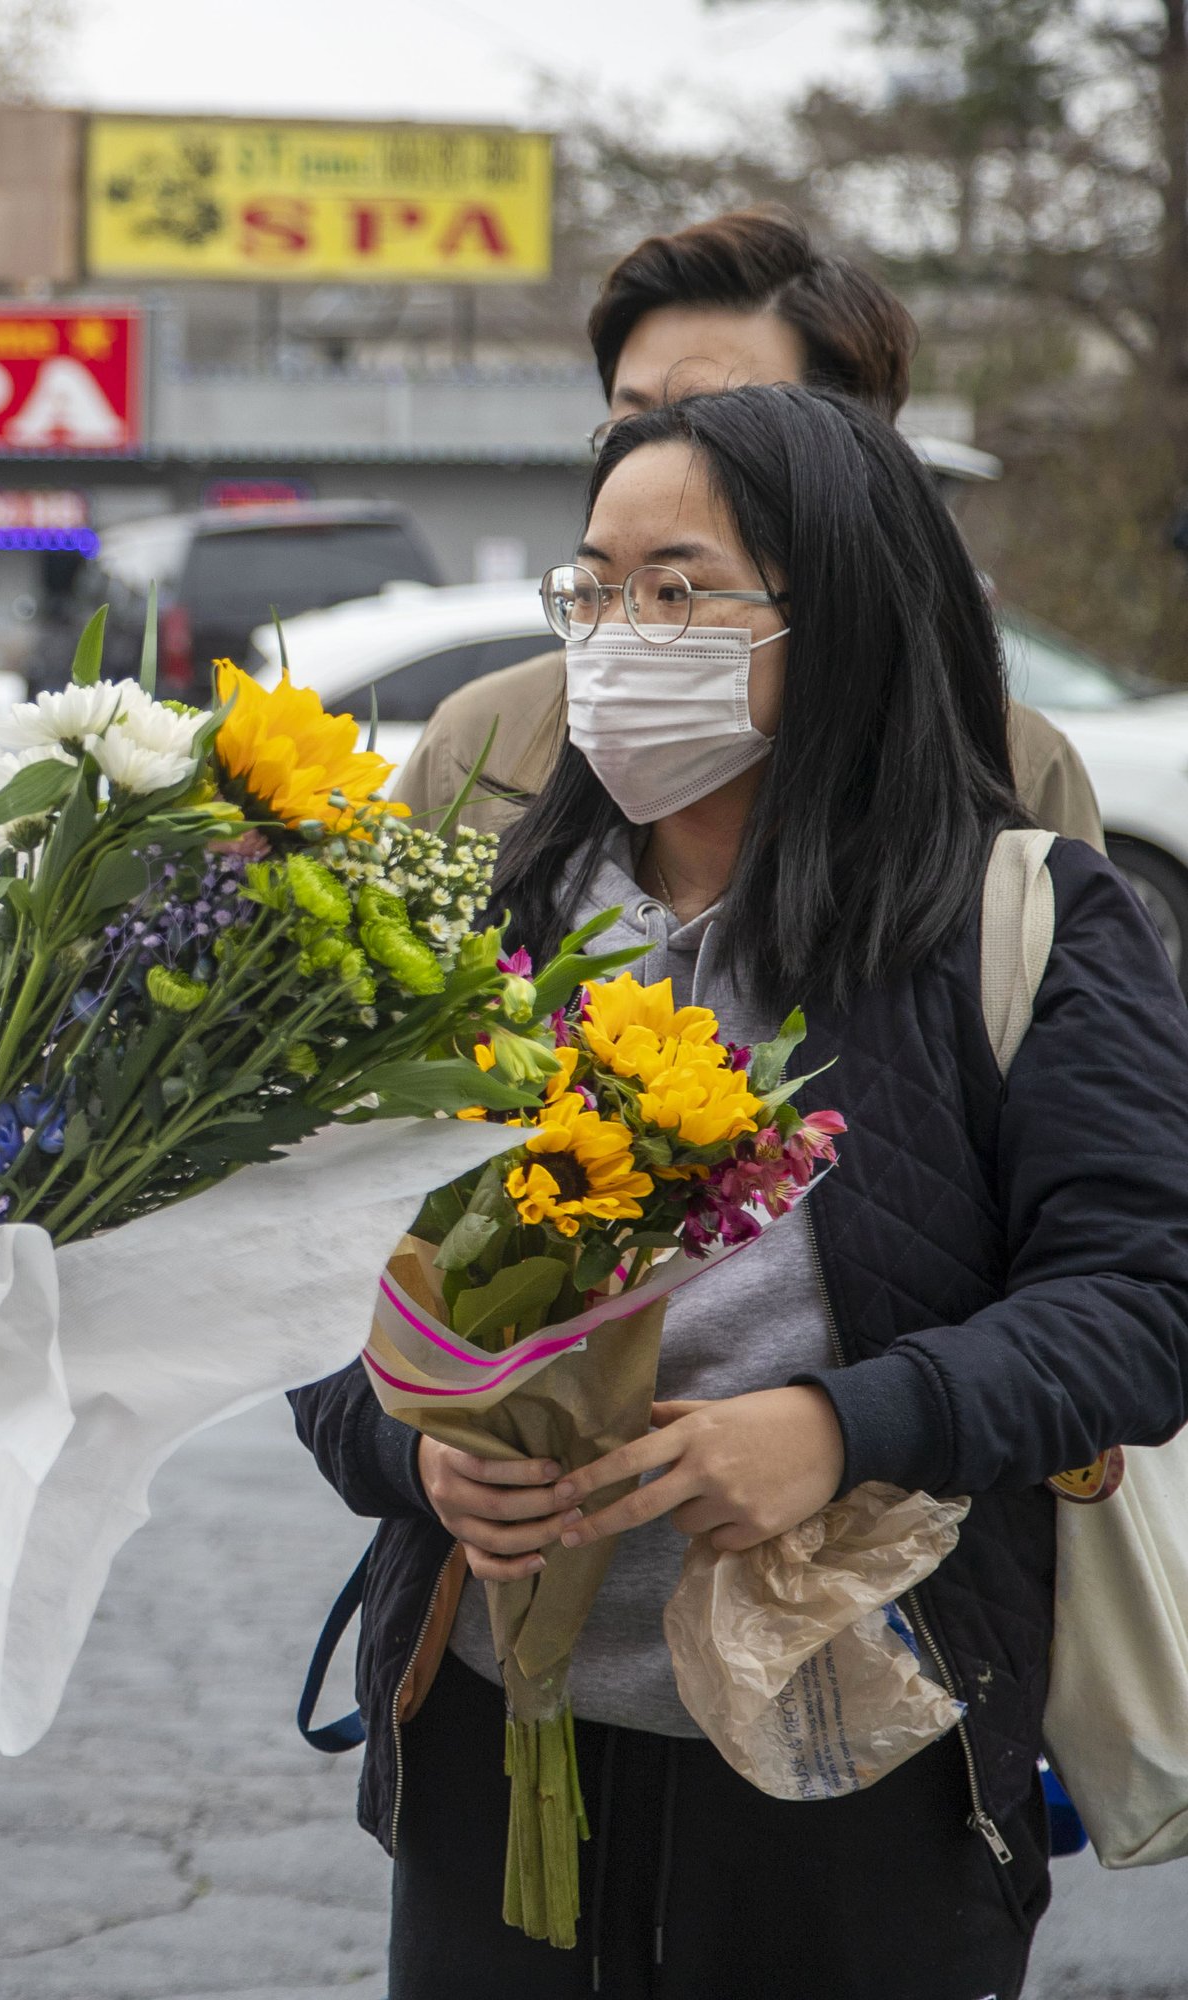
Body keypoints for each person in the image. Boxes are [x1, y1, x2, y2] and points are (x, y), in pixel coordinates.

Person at [291, 384, 1188, 1996]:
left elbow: (1139, 1304)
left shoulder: (1020, 917)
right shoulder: (469, 926)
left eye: (681, 589)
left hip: (861, 1743)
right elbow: (290, 1279)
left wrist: (843, 1429)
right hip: (502, 1723)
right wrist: (409, 1456)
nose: (623, 633)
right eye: (595, 589)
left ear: (837, 616)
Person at [391, 206, 1104, 851]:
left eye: (730, 420)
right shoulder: (483, 747)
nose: (665, 451)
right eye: (632, 421)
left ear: (858, 462)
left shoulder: (1008, 769)